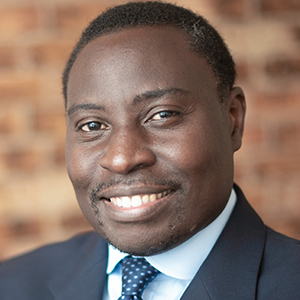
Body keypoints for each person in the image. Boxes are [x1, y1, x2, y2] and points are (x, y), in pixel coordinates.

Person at [0, 1, 299, 299]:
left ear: (233, 119)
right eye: (92, 125)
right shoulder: (12, 284)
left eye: (162, 115)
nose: (121, 158)